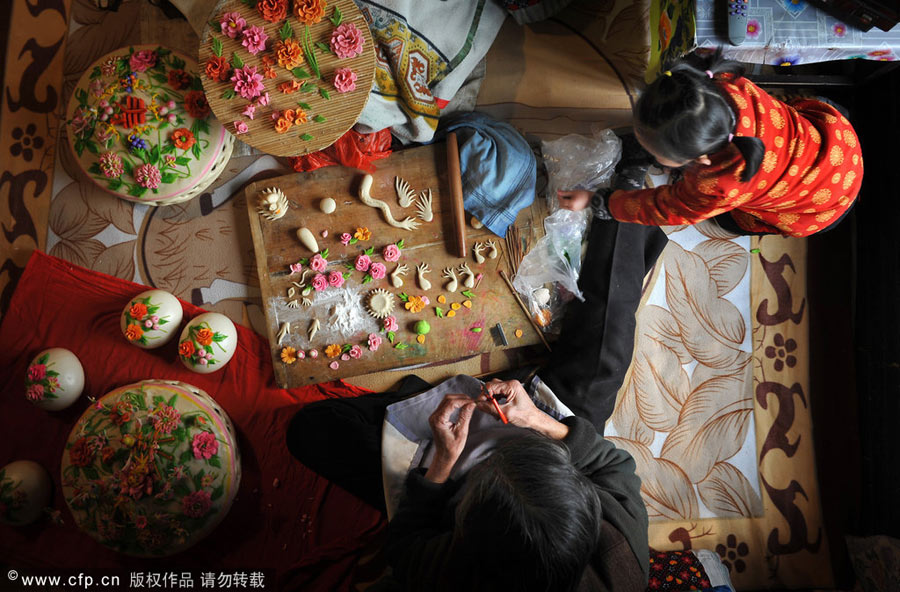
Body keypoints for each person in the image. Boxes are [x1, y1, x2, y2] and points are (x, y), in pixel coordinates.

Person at [287, 217, 669, 591]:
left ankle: (421, 405)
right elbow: (615, 464)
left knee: (312, 431)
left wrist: (441, 464)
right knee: (605, 352)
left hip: (444, 478)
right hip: (544, 431)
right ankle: (626, 206)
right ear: (586, 508)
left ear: (465, 529)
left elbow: (406, 549)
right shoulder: (622, 561)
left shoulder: (457, 573)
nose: (493, 448)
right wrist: (539, 421)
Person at [558, 49, 864, 237]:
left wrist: (603, 202)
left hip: (821, 208)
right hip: (837, 140)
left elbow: (666, 208)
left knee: (730, 223)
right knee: (806, 115)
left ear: (701, 160)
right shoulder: (724, 83)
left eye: (657, 155)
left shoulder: (718, 185)